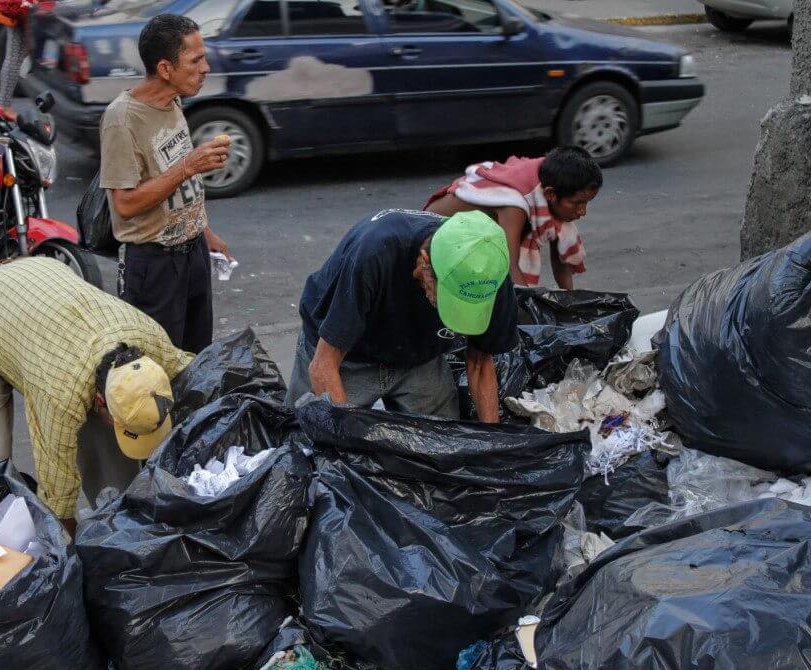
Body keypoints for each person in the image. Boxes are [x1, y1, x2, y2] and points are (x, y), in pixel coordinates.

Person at [0, 257, 194, 534]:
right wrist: (68, 558)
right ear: (99, 401)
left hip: (40, 290)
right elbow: (57, 496)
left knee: (114, 473)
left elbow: (199, 374)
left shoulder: (151, 340)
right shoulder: (60, 394)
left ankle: (122, 528)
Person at [285, 209, 519, 422]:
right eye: (448, 300)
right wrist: (346, 446)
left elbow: (479, 364)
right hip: (348, 358)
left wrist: (493, 442)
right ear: (424, 262)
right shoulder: (374, 253)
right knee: (305, 445)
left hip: (419, 358)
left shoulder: (488, 272)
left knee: (443, 449)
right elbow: (323, 366)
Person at [99, 13, 232, 354]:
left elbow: (181, 188)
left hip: (193, 255)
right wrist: (188, 166)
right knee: (155, 375)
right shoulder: (122, 119)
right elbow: (125, 205)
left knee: (197, 362)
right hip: (153, 267)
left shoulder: (173, 100)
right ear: (165, 69)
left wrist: (204, 232)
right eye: (196, 60)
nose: (206, 68)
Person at [424, 146, 602, 289]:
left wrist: (571, 307)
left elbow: (561, 262)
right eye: (577, 203)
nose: (582, 211)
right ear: (550, 194)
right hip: (433, 237)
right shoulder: (515, 204)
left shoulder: (555, 180)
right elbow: (509, 267)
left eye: (587, 203)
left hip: (474, 241)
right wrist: (528, 312)